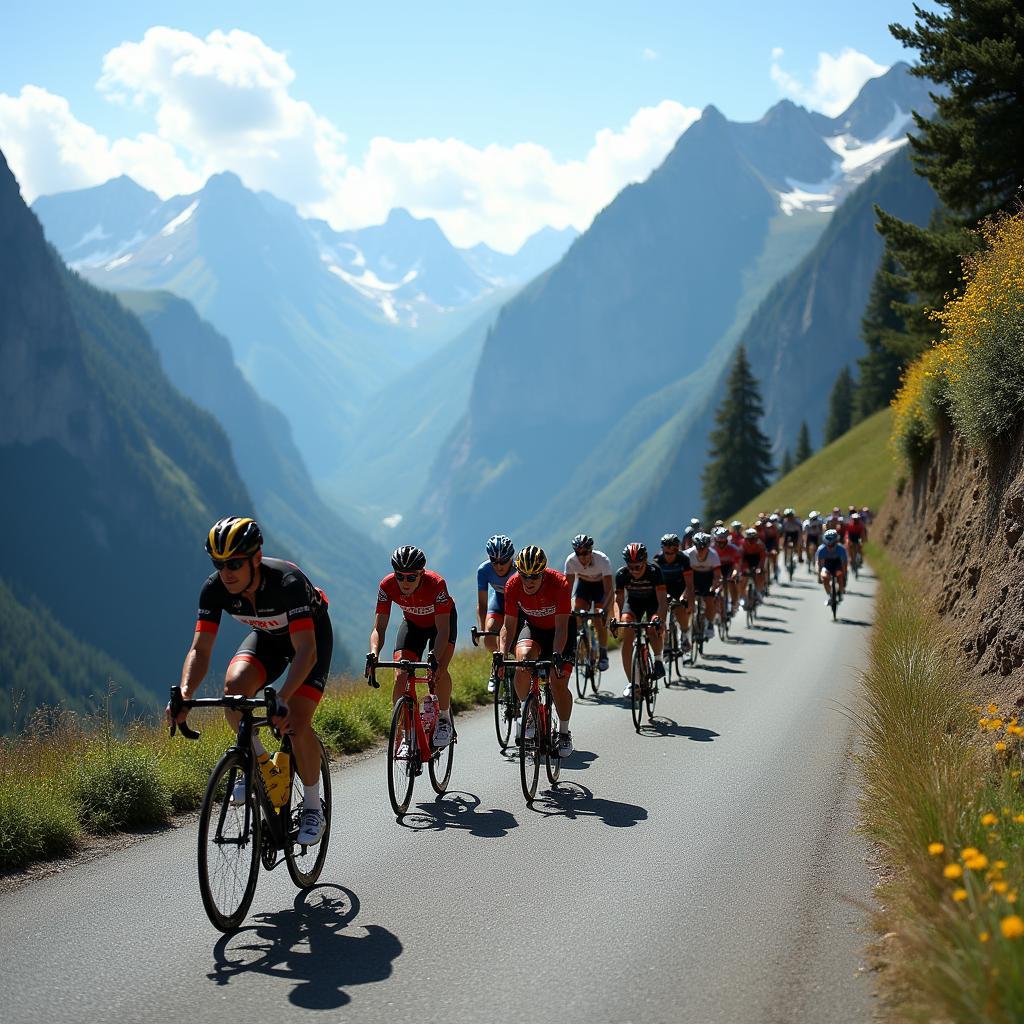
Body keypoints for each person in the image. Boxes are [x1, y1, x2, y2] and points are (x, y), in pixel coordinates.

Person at [169, 516, 332, 846]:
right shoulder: (214, 590)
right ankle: (257, 765)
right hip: (268, 640)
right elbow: (200, 650)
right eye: (219, 563)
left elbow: (306, 651)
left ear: (256, 558)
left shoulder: (287, 583)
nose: (225, 572)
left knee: (296, 722)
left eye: (234, 563)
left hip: (309, 642)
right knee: (234, 695)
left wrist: (283, 697)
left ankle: (313, 806)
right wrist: (185, 693)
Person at [368, 545, 457, 748]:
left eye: (411, 577)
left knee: (439, 671)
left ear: (421, 574)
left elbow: (443, 630)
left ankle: (444, 718)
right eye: (400, 576)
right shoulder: (387, 585)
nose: (404, 582)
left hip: (440, 625)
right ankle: (406, 734)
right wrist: (373, 654)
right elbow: (379, 627)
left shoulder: (436, 584)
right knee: (401, 675)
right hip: (413, 625)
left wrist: (435, 655)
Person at [498, 545, 576, 757]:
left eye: (534, 576)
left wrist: (557, 655)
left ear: (543, 572)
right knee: (522, 664)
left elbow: (561, 628)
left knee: (558, 682)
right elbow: (509, 625)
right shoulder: (513, 585)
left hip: (561, 632)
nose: (529, 581)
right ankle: (529, 713)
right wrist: (502, 654)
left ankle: (564, 732)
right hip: (533, 628)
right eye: (524, 575)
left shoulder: (559, 584)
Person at [612, 542, 667, 695]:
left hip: (653, 603)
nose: (634, 571)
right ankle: (633, 683)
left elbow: (662, 601)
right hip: (633, 604)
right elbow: (619, 601)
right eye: (631, 567)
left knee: (652, 628)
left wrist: (660, 619)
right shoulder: (622, 574)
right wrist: (617, 620)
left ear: (645, 561)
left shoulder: (654, 571)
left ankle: (658, 660)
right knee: (628, 633)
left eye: (638, 567)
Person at [563, 533, 613, 671]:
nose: (582, 556)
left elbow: (609, 590)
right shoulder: (571, 561)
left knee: (598, 619)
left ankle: (603, 653)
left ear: (591, 551)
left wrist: (606, 610)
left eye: (585, 553)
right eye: (578, 553)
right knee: (578, 613)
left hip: (600, 588)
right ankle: (584, 642)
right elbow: (567, 590)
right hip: (584, 586)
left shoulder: (602, 560)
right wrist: (565, 609)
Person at [477, 534, 516, 691]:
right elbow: (482, 603)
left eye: (503, 561)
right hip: (499, 601)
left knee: (512, 640)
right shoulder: (484, 570)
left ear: (511, 558)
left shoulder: (518, 569)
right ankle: (497, 666)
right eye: (494, 560)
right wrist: (482, 631)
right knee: (489, 636)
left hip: (517, 605)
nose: (498, 566)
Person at [653, 533, 694, 651]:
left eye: (673, 553)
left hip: (680, 588)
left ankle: (685, 635)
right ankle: (665, 641)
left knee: (680, 609)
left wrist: (688, 599)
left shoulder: (684, 559)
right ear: (662, 550)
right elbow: (654, 582)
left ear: (678, 550)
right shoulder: (657, 559)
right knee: (660, 614)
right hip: (663, 589)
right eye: (667, 553)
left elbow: (690, 584)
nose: (670, 556)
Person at [684, 532, 722, 639]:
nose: (701, 550)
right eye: (698, 547)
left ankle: (710, 623)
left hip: (708, 578)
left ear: (708, 546)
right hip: (693, 577)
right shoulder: (687, 554)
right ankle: (686, 627)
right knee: (685, 601)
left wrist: (713, 587)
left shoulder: (713, 555)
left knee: (709, 599)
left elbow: (717, 576)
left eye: (703, 547)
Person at [712, 527, 741, 616]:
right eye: (718, 542)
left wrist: (734, 574)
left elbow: (736, 566)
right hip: (717, 567)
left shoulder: (734, 549)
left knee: (732, 582)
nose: (720, 545)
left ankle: (733, 604)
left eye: (723, 542)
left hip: (729, 567)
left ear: (727, 541)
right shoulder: (711, 549)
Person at [816, 529, 848, 604]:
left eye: (832, 545)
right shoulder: (821, 550)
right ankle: (830, 595)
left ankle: (840, 592)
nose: (830, 547)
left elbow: (844, 564)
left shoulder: (841, 549)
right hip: (827, 565)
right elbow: (819, 564)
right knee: (824, 577)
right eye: (828, 545)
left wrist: (844, 576)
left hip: (837, 564)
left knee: (840, 575)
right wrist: (819, 576)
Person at [739, 527, 768, 604]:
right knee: (742, 579)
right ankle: (744, 597)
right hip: (747, 559)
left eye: (754, 539)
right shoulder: (742, 545)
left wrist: (759, 567)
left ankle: (759, 591)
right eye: (749, 539)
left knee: (761, 574)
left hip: (757, 559)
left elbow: (762, 558)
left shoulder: (760, 545)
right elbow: (741, 558)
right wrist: (744, 568)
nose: (752, 541)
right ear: (746, 539)